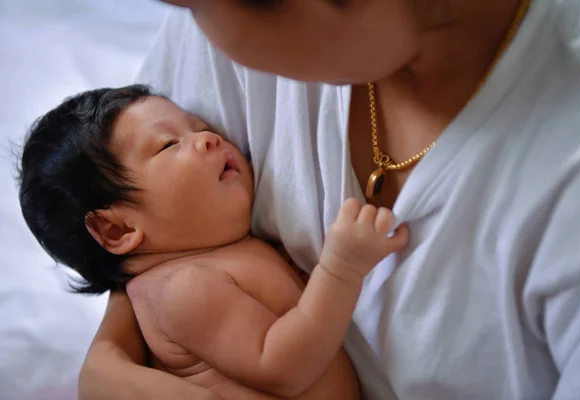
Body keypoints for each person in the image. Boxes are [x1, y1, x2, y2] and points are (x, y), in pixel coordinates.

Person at [79, 0, 580, 399]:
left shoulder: (576, 176)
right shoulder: (226, 37)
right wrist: (109, 362)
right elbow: (149, 223)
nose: (184, 14)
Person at [19, 85, 410, 399]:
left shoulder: (218, 255)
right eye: (168, 145)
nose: (206, 138)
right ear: (118, 230)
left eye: (199, 126)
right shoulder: (182, 289)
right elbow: (285, 370)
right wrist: (341, 269)